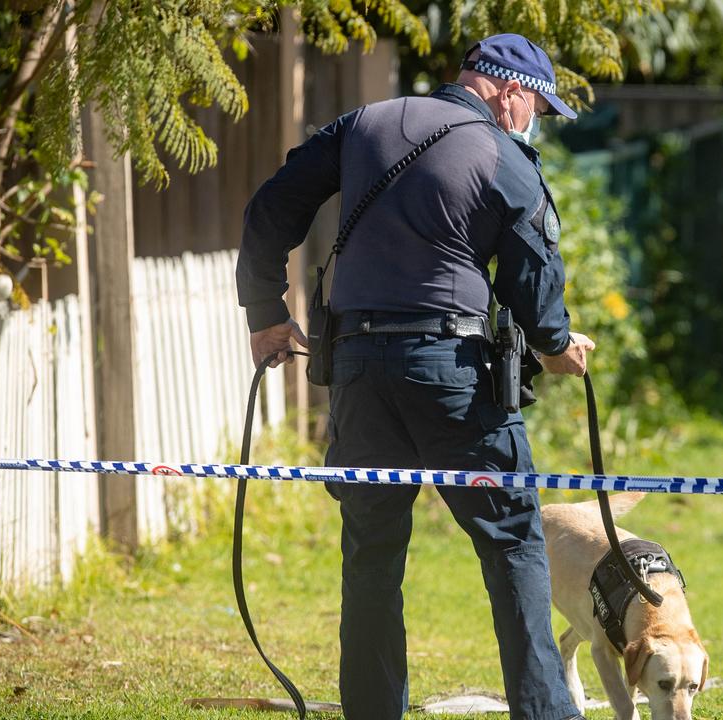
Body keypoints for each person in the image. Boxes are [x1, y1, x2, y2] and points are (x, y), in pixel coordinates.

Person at [235, 32, 593, 720]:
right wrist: (553, 346)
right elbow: (532, 265)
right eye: (537, 112)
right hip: (451, 373)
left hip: (359, 374)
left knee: (371, 552)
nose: (533, 125)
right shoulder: (501, 153)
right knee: (513, 542)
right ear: (511, 92)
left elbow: (270, 210)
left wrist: (265, 313)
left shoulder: (362, 125)